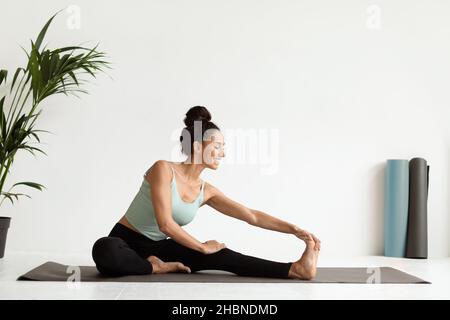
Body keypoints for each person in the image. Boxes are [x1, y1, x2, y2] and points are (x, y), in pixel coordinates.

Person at [92, 106, 321, 279]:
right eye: (218, 146)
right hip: (124, 242)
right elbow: (165, 224)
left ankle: (296, 269)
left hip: (160, 247)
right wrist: (201, 246)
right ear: (197, 146)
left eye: (224, 147)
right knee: (104, 249)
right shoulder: (163, 169)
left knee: (221, 255)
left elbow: (252, 216)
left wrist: (294, 229)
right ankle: (155, 266)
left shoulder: (206, 191)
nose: (223, 153)